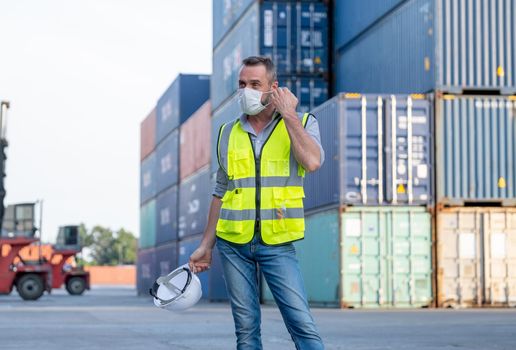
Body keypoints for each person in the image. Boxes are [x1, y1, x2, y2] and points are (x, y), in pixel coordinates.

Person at [189, 56, 325, 350]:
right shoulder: (227, 132)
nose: (246, 91)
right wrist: (206, 244)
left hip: (277, 242)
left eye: (254, 84)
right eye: (241, 84)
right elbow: (221, 190)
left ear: (273, 88)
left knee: (302, 325)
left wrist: (288, 114)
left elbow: (313, 161)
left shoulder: (302, 123)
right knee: (247, 332)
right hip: (233, 243)